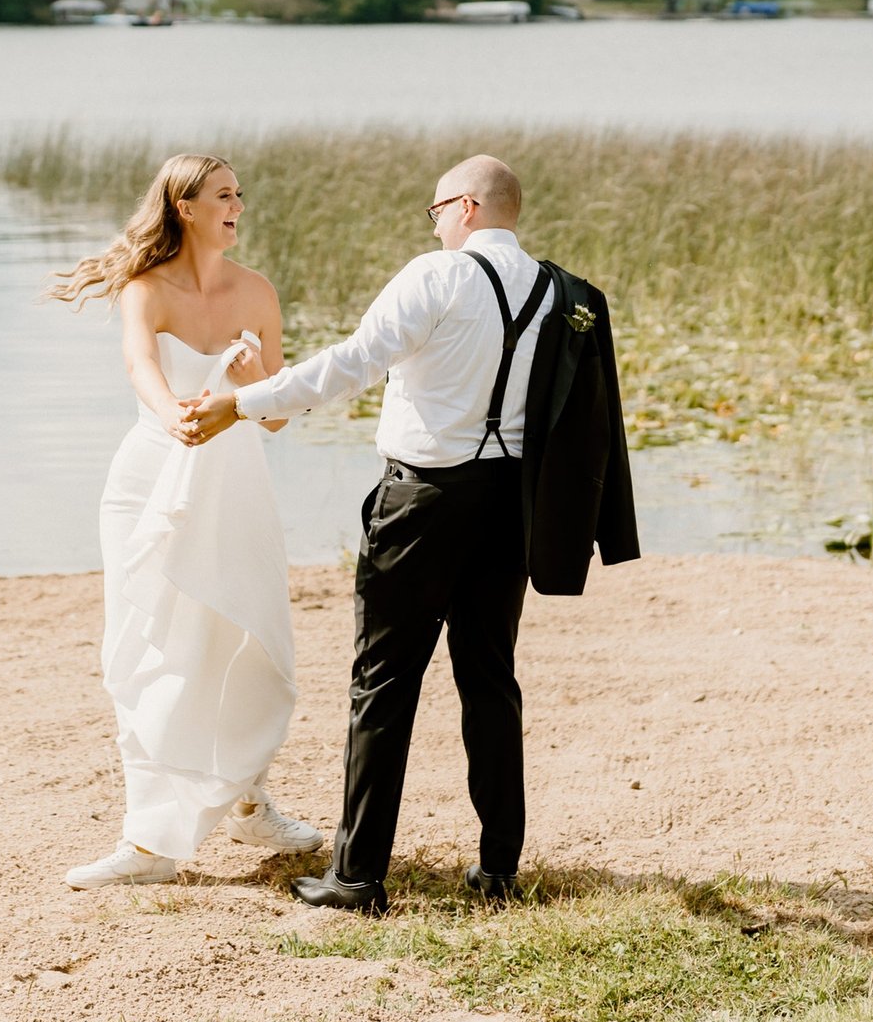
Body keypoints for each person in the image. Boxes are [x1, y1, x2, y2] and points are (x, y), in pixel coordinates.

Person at [176, 154, 635, 913]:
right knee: (490, 679)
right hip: (507, 507)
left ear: (464, 206)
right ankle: (497, 871)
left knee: (383, 682)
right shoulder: (564, 292)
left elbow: (351, 365)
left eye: (435, 211)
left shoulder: (436, 276)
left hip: (421, 503)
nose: (436, 225)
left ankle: (357, 877)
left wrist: (240, 402)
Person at [50, 153, 325, 889]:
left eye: (241, 193)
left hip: (235, 487)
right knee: (143, 646)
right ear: (185, 207)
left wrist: (252, 390)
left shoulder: (258, 292)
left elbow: (276, 419)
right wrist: (178, 417)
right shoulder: (147, 290)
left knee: (244, 638)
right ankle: (147, 846)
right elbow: (141, 365)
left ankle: (249, 800)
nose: (238, 204)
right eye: (224, 194)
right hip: (148, 479)